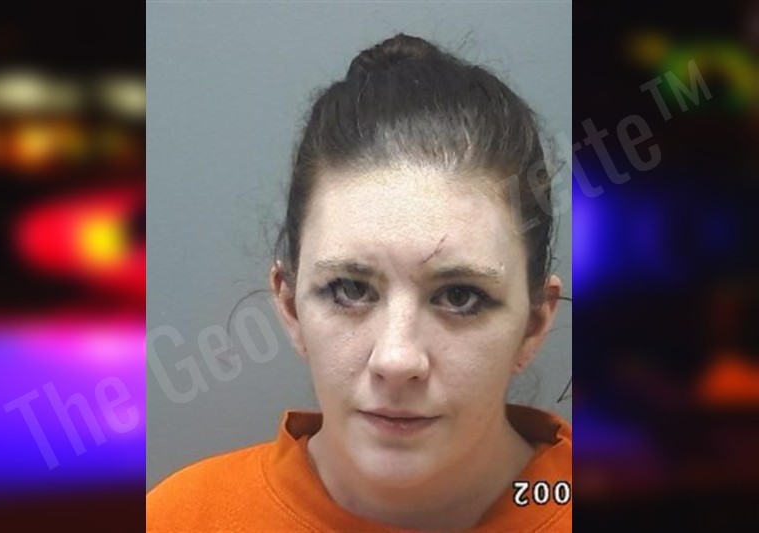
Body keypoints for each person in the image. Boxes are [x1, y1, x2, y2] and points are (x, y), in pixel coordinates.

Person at [147, 33, 571, 531]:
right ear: (290, 306)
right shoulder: (182, 518)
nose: (396, 360)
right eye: (349, 289)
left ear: (534, 324)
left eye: (460, 296)